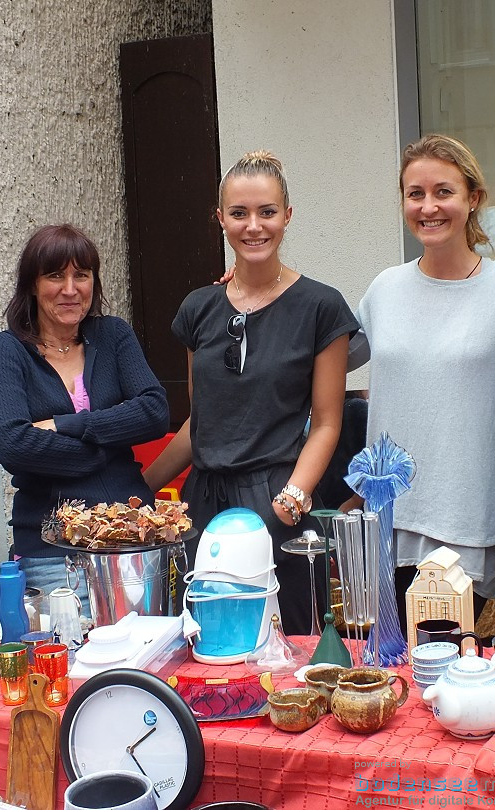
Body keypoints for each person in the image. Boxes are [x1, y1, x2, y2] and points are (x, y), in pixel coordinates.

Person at [144, 150, 356, 635]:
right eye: (239, 213)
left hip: (280, 502)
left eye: (267, 212)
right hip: (205, 508)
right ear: (221, 219)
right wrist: (141, 488)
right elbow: (203, 423)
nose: (254, 226)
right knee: (214, 645)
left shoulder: (321, 307)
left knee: (294, 650)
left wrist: (293, 498)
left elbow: (326, 422)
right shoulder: (199, 308)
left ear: (288, 215)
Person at [350, 134, 495, 624]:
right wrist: (248, 285)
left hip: (465, 521)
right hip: (388, 523)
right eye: (415, 194)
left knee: (445, 673)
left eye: (443, 192)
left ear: (473, 198)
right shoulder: (384, 289)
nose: (428, 206)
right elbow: (320, 355)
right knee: (391, 675)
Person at [0, 224, 169, 596]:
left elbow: (155, 410)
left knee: (150, 651)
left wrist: (65, 424)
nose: (70, 289)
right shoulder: (5, 351)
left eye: (81, 275)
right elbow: (13, 444)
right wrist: (105, 446)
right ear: (32, 284)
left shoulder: (113, 336)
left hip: (133, 537)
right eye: (55, 276)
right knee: (68, 649)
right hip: (53, 551)